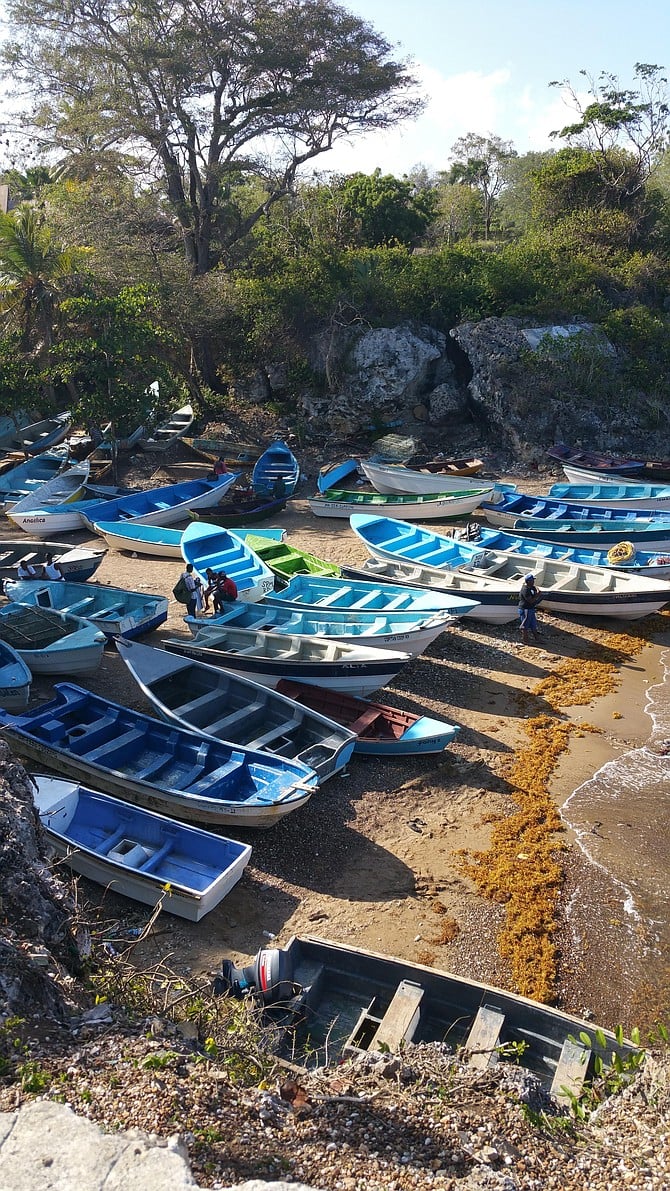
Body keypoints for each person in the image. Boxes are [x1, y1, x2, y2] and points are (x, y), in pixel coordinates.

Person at [518, 573, 542, 644]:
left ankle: (537, 639)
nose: (533, 582)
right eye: (532, 580)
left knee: (533, 625)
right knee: (525, 625)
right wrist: (537, 595)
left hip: (531, 609)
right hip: (526, 609)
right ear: (528, 581)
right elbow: (530, 600)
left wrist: (537, 589)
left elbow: (535, 587)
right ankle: (525, 640)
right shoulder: (525, 590)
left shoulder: (531, 587)